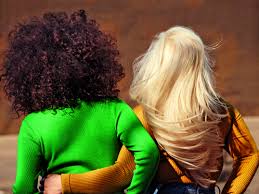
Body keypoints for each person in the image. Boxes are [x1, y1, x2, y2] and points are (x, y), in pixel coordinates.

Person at [43, 26, 259, 194]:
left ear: (158, 66)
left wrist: (66, 183)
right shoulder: (222, 112)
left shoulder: (147, 116)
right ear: (201, 66)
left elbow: (124, 172)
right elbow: (249, 155)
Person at [0, 10, 160, 194]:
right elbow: (148, 151)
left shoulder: (32, 124)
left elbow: (23, 188)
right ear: (93, 63)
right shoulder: (115, 109)